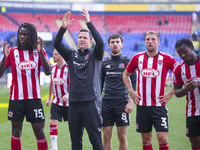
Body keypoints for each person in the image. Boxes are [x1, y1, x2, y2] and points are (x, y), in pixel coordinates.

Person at [53, 9, 104, 150]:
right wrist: (63, 28)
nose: (81, 39)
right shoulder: (71, 55)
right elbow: (57, 45)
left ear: (90, 42)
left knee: (96, 141)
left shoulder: (95, 55)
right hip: (74, 104)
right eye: (80, 37)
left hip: (90, 104)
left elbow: (100, 43)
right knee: (75, 142)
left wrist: (89, 23)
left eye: (85, 38)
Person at [0, 22, 51, 150]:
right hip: (16, 99)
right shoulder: (11, 53)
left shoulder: (39, 51)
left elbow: (48, 71)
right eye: (20, 34)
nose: (21, 37)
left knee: (39, 130)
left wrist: (40, 54)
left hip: (34, 98)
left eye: (25, 34)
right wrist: (4, 58)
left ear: (32, 36)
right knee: (16, 131)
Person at [123, 31, 177, 150]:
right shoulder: (137, 58)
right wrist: (131, 91)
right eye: (147, 39)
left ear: (158, 42)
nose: (150, 41)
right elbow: (125, 75)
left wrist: (171, 93)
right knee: (146, 140)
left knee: (162, 139)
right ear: (145, 42)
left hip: (159, 106)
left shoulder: (167, 58)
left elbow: (180, 75)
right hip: (142, 106)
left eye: (153, 39)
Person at [101, 33, 137, 150]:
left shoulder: (128, 61)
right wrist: (97, 103)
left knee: (122, 137)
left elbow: (134, 84)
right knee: (106, 137)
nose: (115, 44)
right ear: (109, 45)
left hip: (122, 103)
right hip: (106, 104)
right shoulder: (104, 63)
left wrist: (130, 102)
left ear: (122, 45)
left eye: (117, 42)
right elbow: (99, 85)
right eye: (112, 42)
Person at [173, 38, 200, 150]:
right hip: (192, 111)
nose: (183, 55)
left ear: (191, 48)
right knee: (194, 144)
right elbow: (177, 92)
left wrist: (198, 83)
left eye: (185, 52)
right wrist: (186, 89)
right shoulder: (179, 68)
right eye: (180, 53)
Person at [46, 49, 69, 150]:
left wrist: (69, 95)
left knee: (74, 126)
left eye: (56, 54)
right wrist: (49, 98)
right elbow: (51, 83)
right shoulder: (53, 68)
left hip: (69, 103)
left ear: (62, 55)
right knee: (52, 122)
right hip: (56, 101)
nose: (53, 56)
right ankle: (54, 147)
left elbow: (77, 85)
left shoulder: (69, 68)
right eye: (53, 54)